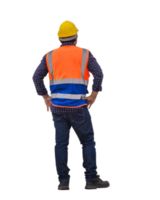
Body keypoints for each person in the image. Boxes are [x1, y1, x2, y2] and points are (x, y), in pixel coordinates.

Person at [30, 20, 111, 191]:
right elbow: (99, 73)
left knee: (60, 143)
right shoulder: (86, 53)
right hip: (79, 107)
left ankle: (63, 183)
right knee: (87, 141)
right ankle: (91, 180)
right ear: (77, 36)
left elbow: (36, 77)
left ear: (58, 38)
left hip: (57, 108)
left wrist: (45, 97)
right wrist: (94, 95)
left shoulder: (48, 55)